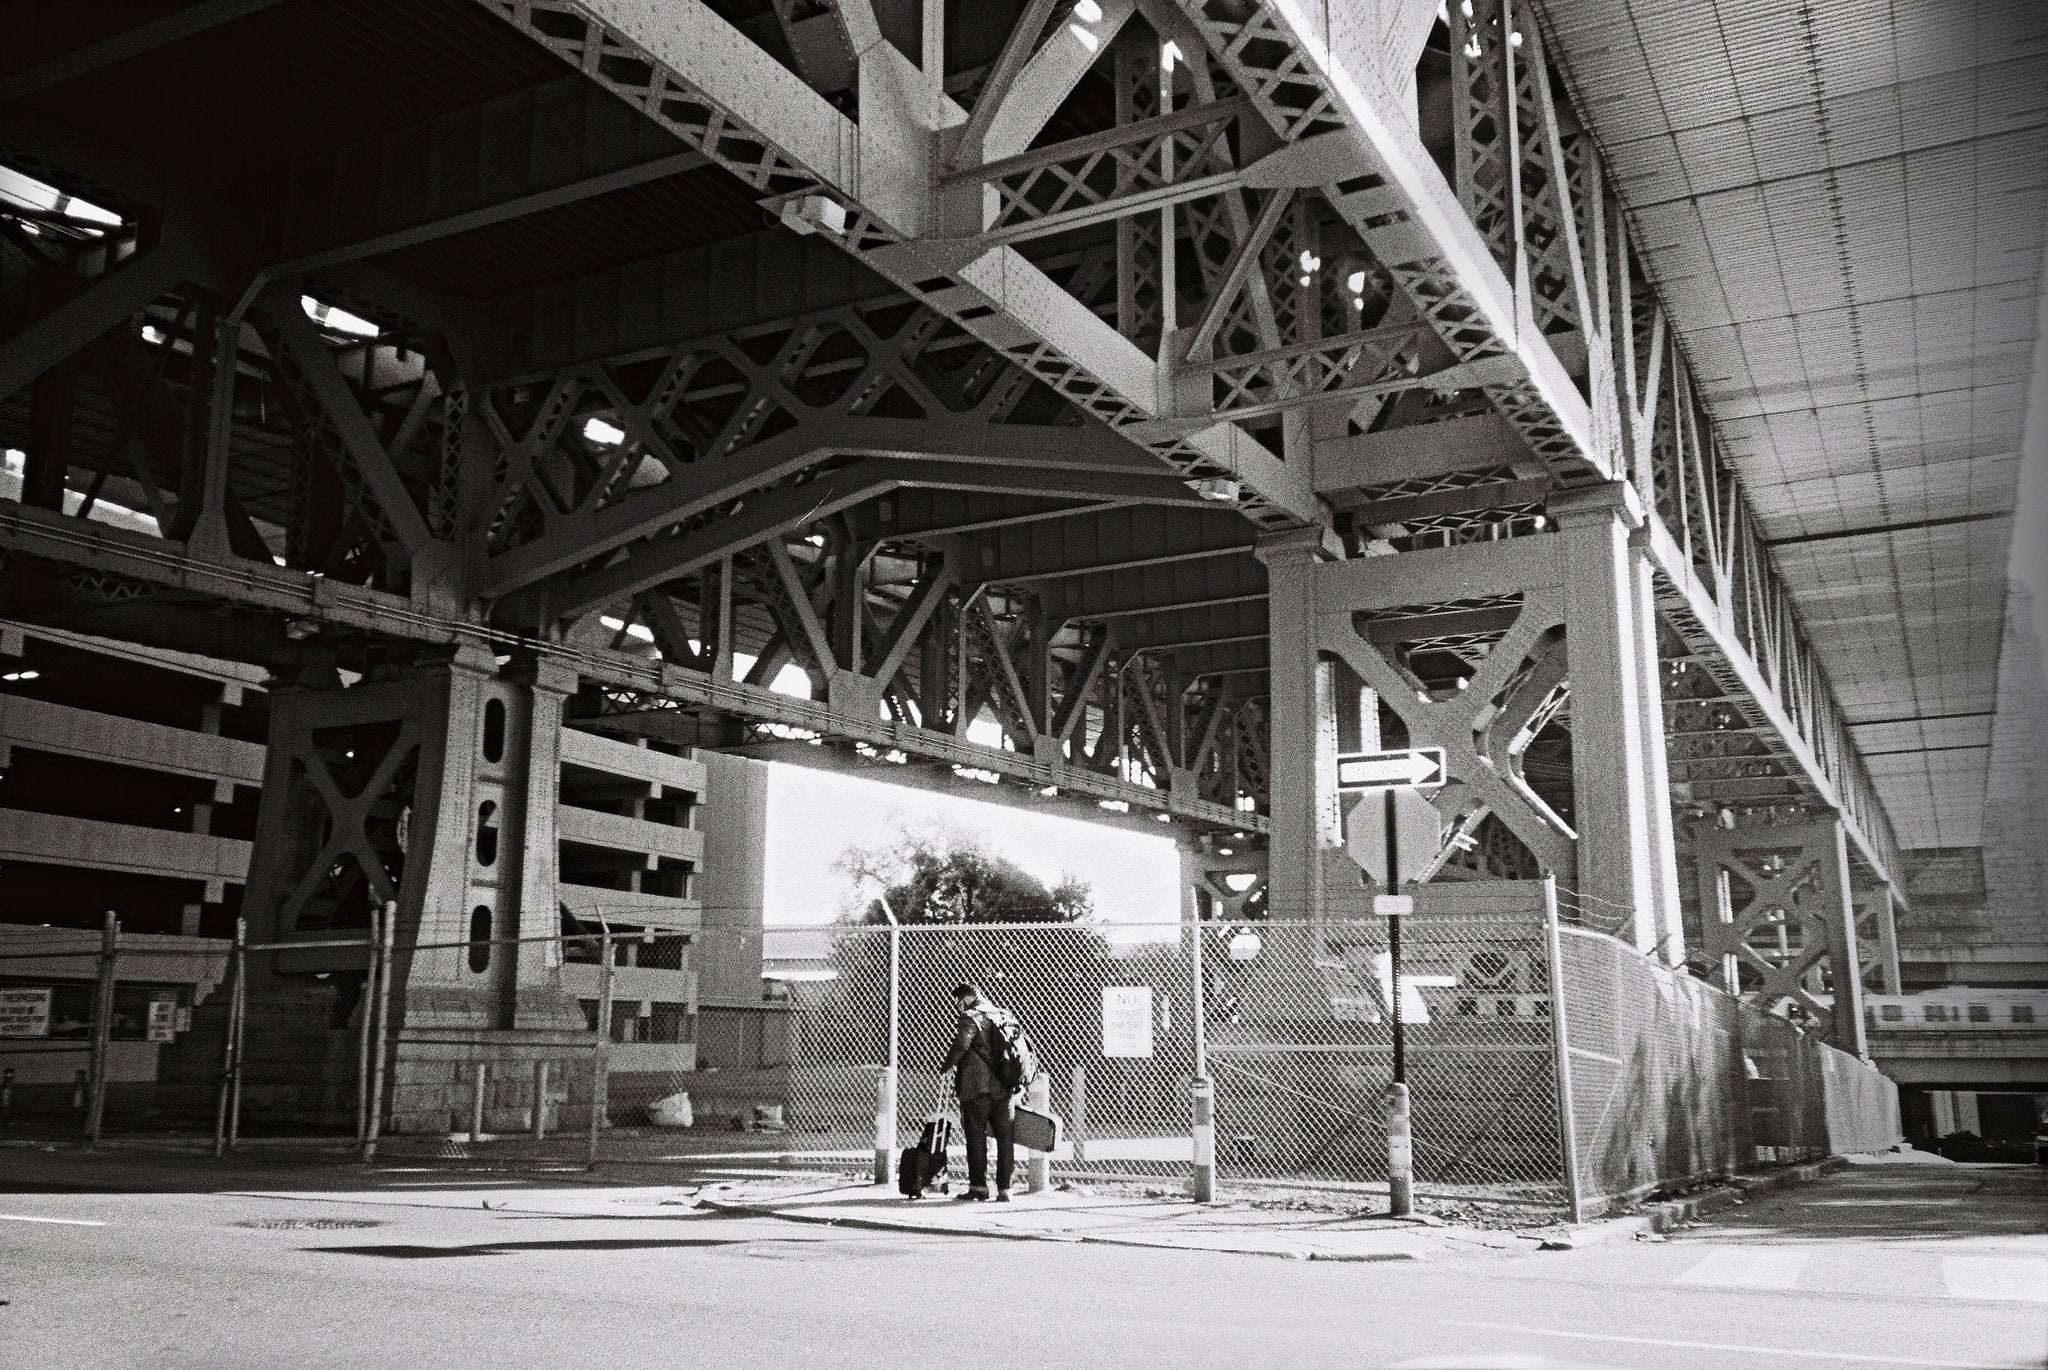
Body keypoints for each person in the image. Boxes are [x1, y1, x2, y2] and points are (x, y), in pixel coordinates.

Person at [937, 982, 1020, 1202]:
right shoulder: (1004, 1014)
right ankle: (1006, 1189)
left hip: (977, 1088)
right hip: (1005, 1087)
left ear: (966, 999)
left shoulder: (970, 1016)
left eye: (958, 1001)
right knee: (1005, 1138)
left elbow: (962, 1044)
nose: (958, 1006)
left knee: (975, 1137)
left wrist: (946, 1066)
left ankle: (979, 1188)